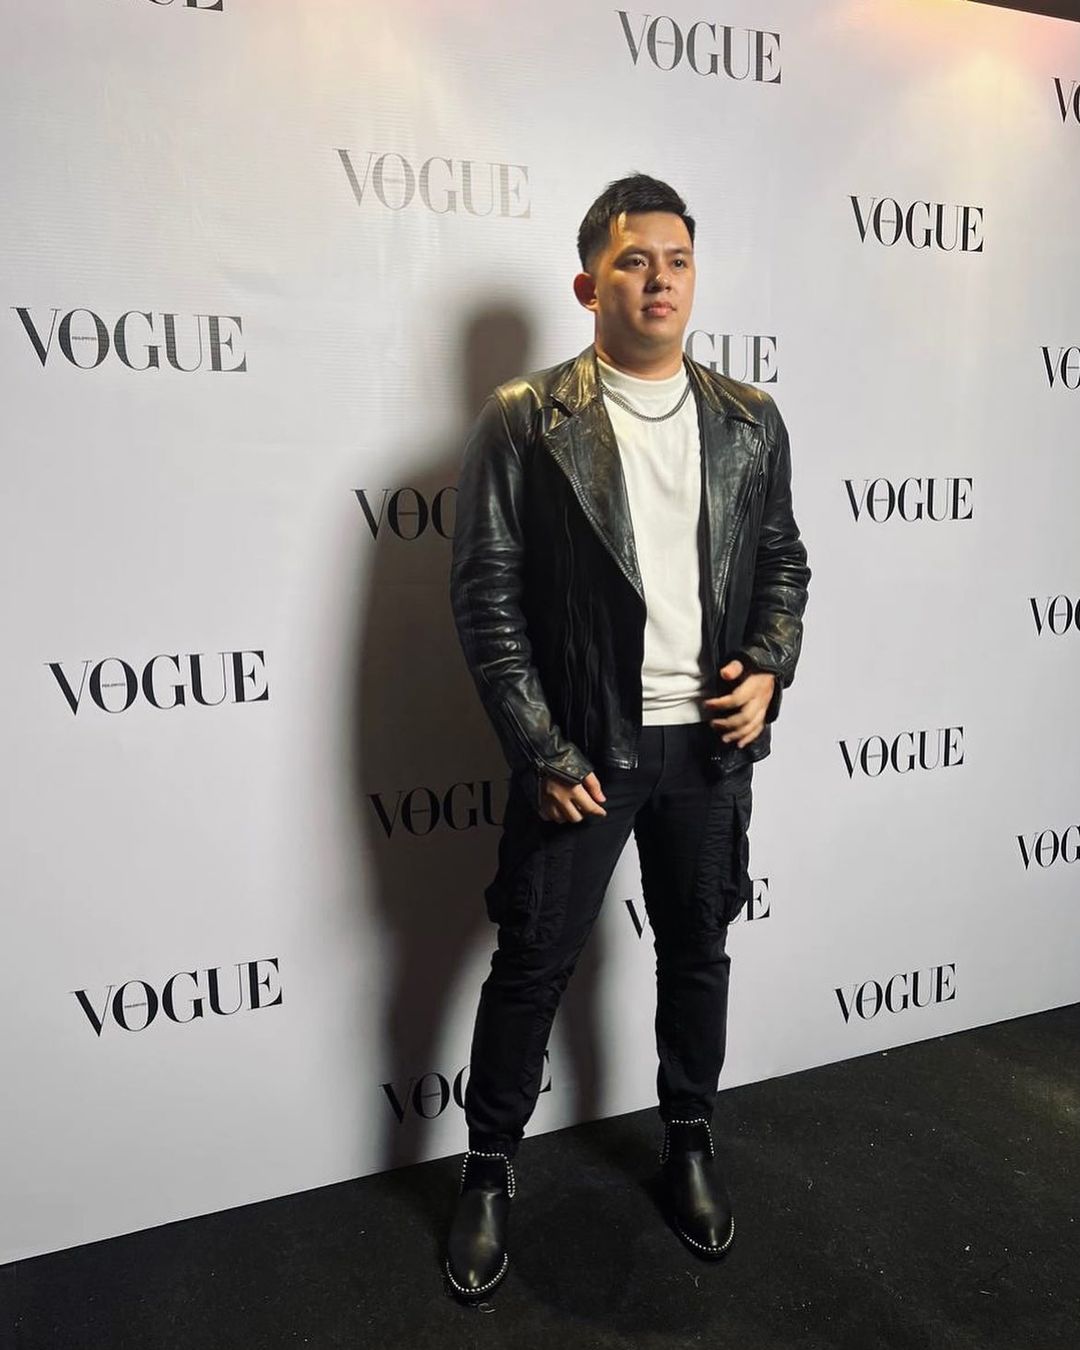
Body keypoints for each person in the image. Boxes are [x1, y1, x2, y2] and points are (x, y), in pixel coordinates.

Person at [445, 173, 810, 1299]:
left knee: (698, 951)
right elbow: (487, 596)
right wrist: (541, 749)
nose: (660, 280)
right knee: (532, 963)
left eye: (677, 261)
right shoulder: (525, 417)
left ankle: (689, 1141)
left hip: (709, 748)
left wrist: (771, 667)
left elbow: (782, 562)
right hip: (585, 752)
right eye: (634, 261)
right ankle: (489, 1170)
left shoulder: (750, 418)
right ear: (588, 284)